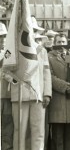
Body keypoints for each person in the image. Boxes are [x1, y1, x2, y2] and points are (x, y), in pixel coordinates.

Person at [10, 18, 52, 150]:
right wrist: (15, 80)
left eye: (33, 30)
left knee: (38, 131)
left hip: (37, 95)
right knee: (20, 131)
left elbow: (46, 73)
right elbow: (4, 70)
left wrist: (47, 93)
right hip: (19, 95)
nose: (30, 32)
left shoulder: (41, 51)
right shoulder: (12, 50)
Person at [0, 22, 14, 150]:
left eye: (4, 36)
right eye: (0, 37)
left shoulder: (9, 54)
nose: (3, 40)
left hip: (6, 96)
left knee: (7, 129)